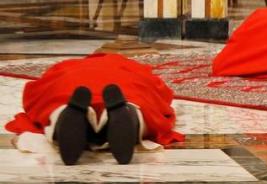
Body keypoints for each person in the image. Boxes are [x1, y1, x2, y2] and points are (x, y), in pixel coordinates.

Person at [5, 53, 183, 165]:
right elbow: (161, 93)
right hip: (124, 84)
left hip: (71, 83)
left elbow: (35, 92)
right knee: (138, 104)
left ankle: (66, 117)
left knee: (57, 103)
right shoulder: (130, 66)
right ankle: (130, 115)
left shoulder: (66, 66)